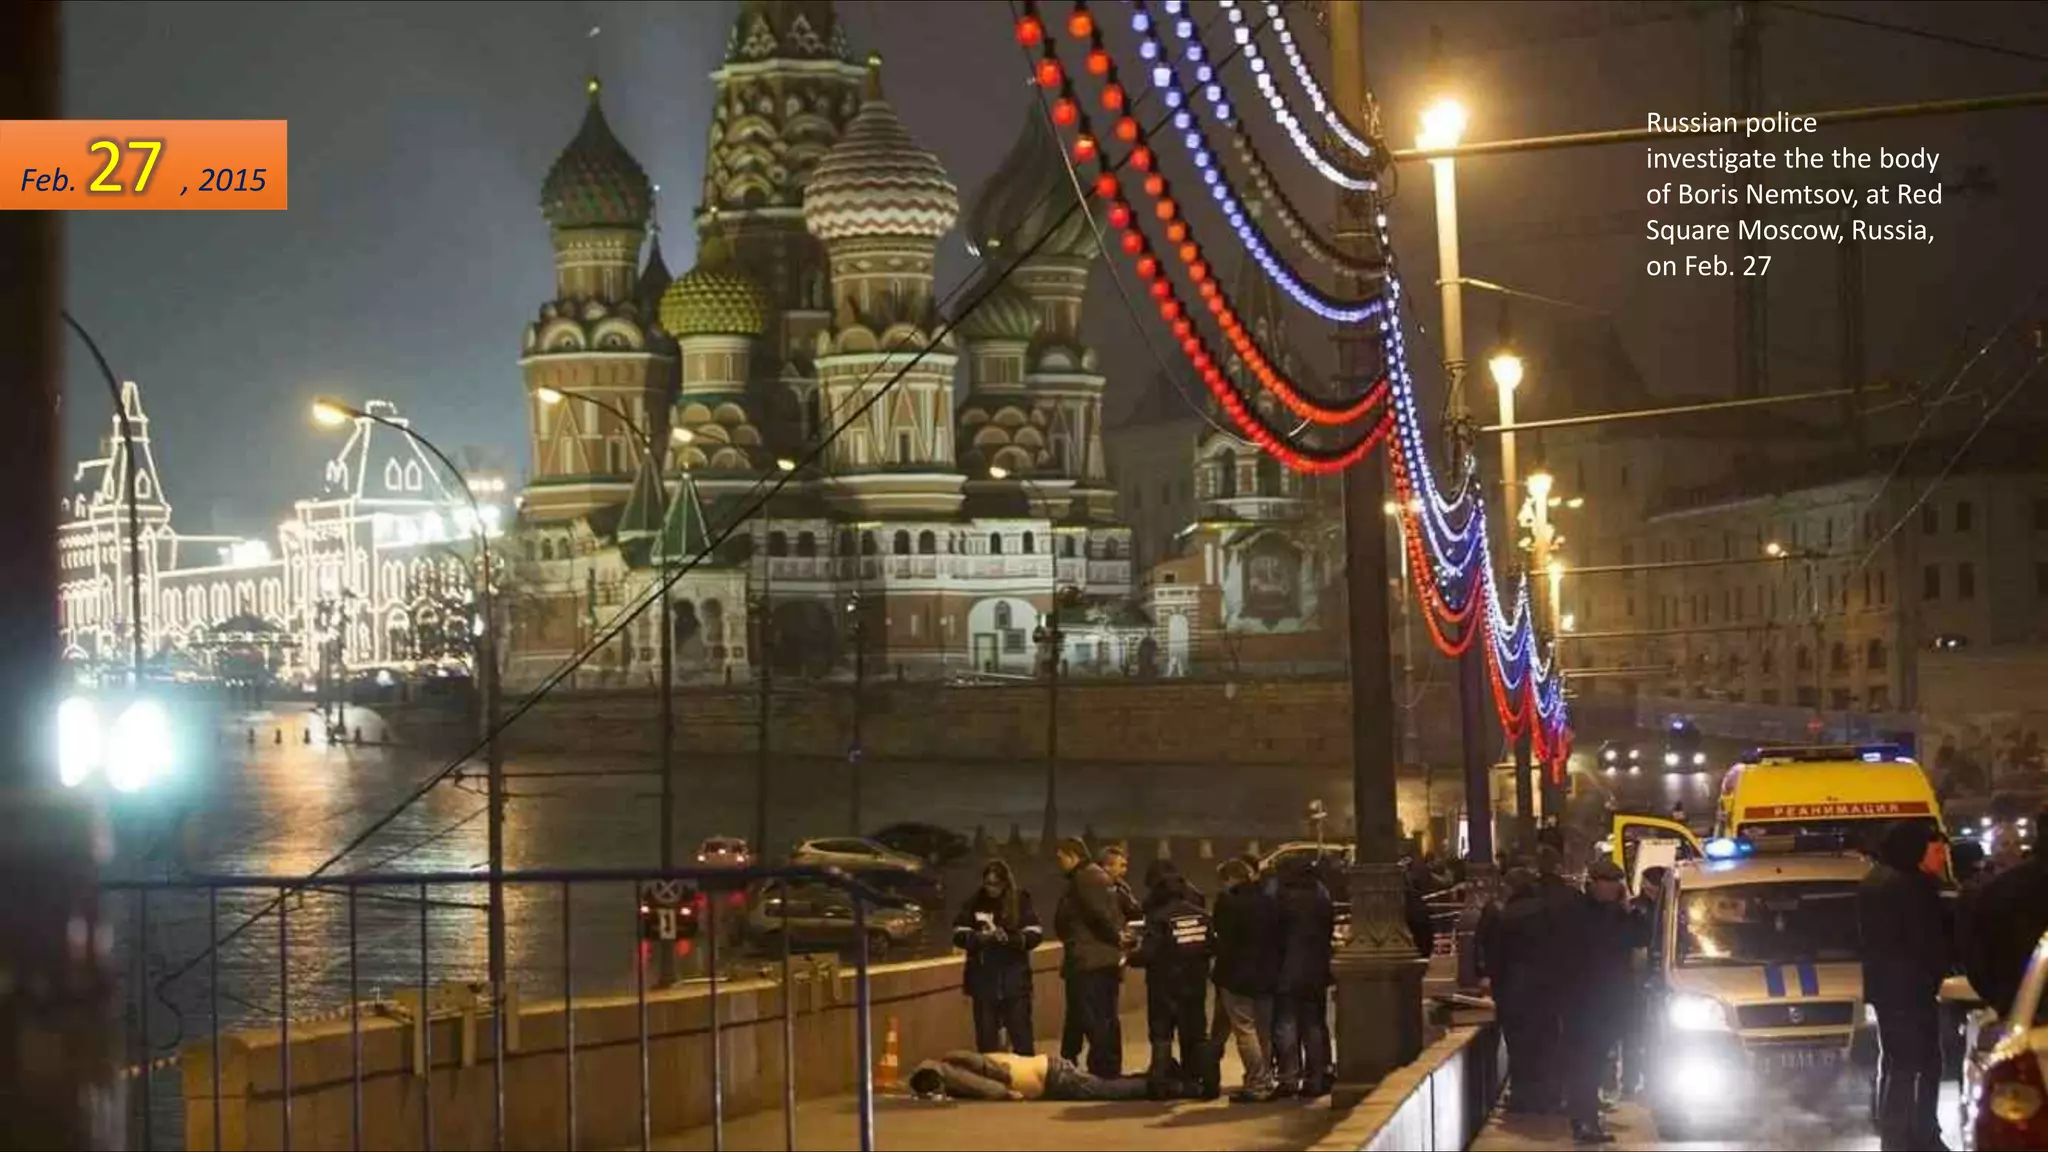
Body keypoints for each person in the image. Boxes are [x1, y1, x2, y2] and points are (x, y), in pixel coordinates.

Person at [1859, 821, 1954, 1152]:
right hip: (1909, 990)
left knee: (1902, 1063)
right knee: (1913, 1064)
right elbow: (1925, 941)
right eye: (1936, 851)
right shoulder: (1907, 886)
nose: (1942, 858)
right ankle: (1910, 1137)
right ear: (1914, 849)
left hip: (1892, 990)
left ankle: (1904, 1134)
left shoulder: (1880, 879)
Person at [1560, 858, 1646, 1145]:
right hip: (1582, 1001)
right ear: (1594, 883)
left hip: (1608, 1001)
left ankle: (1589, 1120)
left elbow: (1639, 937)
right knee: (1584, 1063)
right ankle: (1583, 1121)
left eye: (1616, 883)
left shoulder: (1620, 914)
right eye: (1607, 883)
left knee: (1595, 1064)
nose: (1612, 889)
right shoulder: (1576, 912)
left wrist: (1627, 908)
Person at [1131, 859, 1213, 1097]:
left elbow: (1149, 953)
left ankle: (1159, 1085)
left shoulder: (1160, 918)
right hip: (1195, 984)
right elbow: (1211, 946)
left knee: (1162, 1034)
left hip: (1164, 985)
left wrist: (1131, 956)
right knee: (1196, 1034)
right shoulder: (1202, 915)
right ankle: (1202, 1082)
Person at [1209, 857, 1281, 1103]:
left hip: (1236, 975)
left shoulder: (1229, 903)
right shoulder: (1270, 901)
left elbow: (1223, 939)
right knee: (1263, 1031)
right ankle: (1266, 1079)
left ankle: (1257, 1082)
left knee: (1244, 1030)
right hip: (1268, 974)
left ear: (1230, 879)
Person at [1963, 808, 2048, 1016]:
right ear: (1992, 849)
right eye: (2005, 844)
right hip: (2021, 1012)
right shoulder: (1985, 890)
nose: (2011, 850)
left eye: (2016, 844)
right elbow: (1977, 954)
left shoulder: (1996, 890)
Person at [952, 859, 1042, 1055]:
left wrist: (1011, 939)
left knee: (1022, 1038)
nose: (991, 889)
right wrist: (978, 938)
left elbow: (1035, 934)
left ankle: (1025, 1081)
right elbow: (958, 933)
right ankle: (990, 1082)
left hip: (1015, 982)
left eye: (996, 884)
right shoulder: (974, 902)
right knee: (986, 1041)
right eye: (988, 884)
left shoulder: (1020, 901)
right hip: (984, 983)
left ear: (1005, 883)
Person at [1053, 837, 1126, 1078]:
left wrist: (1116, 938)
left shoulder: (1086, 879)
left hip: (1090, 960)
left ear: (1073, 855)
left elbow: (1099, 916)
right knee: (1091, 1015)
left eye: (1060, 857)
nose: (1059, 862)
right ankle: (1080, 1063)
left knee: (1094, 1017)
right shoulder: (1091, 877)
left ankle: (1104, 1070)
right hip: (1094, 959)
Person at [1271, 854, 1336, 1099]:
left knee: (1286, 1024)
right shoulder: (1321, 894)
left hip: (1287, 968)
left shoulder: (1282, 896)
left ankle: (1289, 1079)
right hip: (1316, 968)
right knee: (1314, 1024)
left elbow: (1275, 933)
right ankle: (1316, 1078)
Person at [908, 1050, 1153, 1102]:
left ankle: (1166, 1084)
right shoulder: (952, 1057)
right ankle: (1151, 1078)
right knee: (1108, 1085)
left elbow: (989, 1088)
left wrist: (1009, 1094)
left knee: (1111, 1091)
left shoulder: (953, 1074)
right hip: (1048, 1068)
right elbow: (991, 1068)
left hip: (1052, 1079)